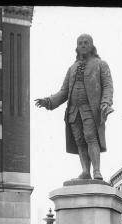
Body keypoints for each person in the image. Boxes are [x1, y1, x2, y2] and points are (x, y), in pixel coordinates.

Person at [35, 33, 114, 181]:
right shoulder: (72, 68)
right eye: (80, 43)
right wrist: (49, 101)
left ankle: (96, 171)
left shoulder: (100, 64)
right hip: (73, 111)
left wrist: (106, 102)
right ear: (77, 47)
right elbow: (64, 91)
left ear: (91, 46)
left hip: (90, 109)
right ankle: (85, 171)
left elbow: (108, 86)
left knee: (90, 137)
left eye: (86, 42)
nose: (83, 45)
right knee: (79, 141)